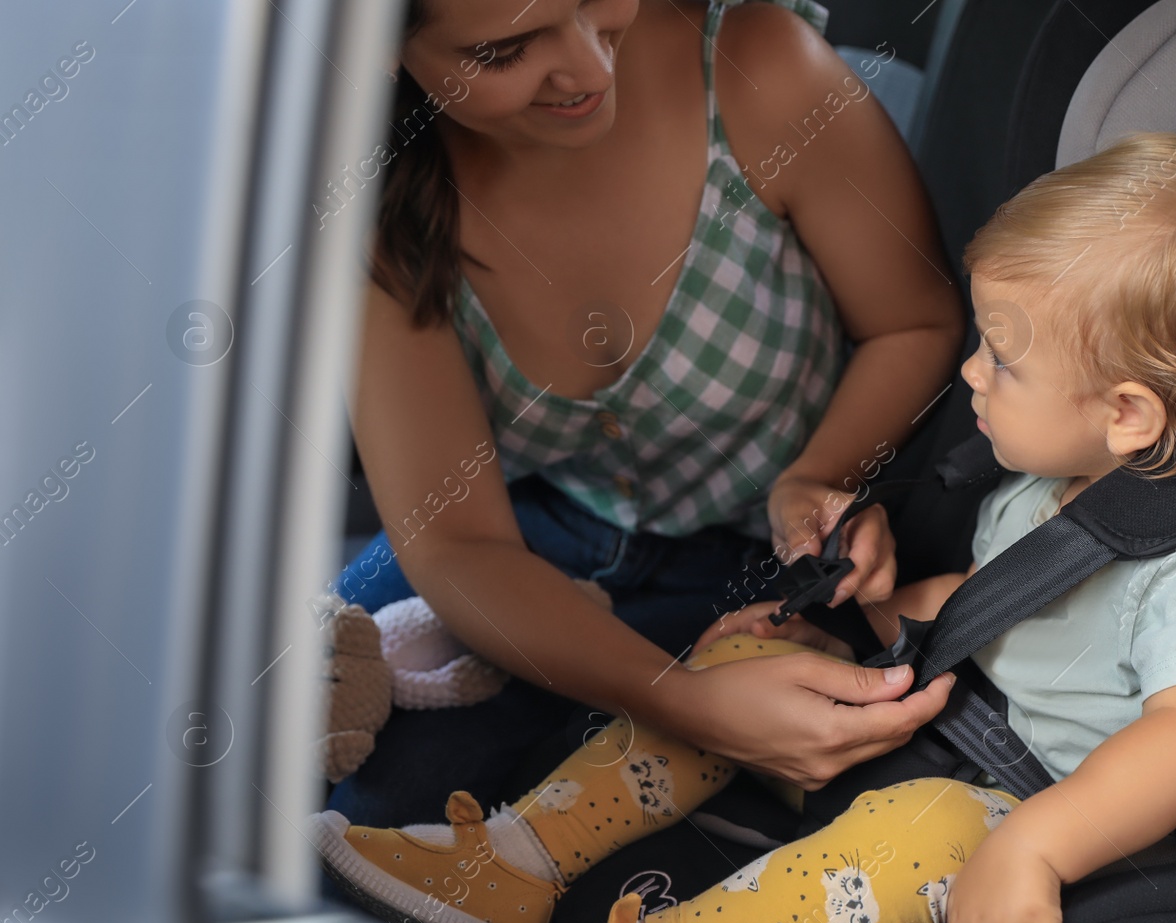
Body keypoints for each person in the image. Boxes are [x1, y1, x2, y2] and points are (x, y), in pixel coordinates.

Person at [311, 131, 1176, 923]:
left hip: (1018, 801)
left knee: (923, 826)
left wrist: (1036, 845)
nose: (972, 375)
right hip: (937, 718)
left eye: (1004, 360)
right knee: (746, 657)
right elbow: (991, 604)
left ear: (1127, 414)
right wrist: (855, 609)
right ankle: (513, 859)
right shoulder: (1059, 483)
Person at [326, 0, 965, 826]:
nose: (591, 69)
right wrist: (691, 704)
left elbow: (913, 322)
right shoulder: (371, 195)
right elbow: (458, 543)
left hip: (770, 561)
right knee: (330, 788)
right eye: (506, 50)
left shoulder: (760, 70)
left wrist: (818, 476)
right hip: (525, 537)